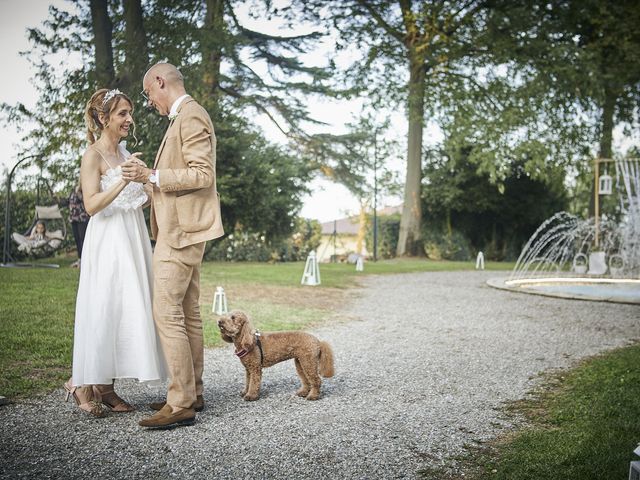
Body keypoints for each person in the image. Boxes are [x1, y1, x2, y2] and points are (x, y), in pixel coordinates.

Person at [122, 63, 224, 429]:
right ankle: (192, 392)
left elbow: (202, 174)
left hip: (180, 234)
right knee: (188, 313)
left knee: (167, 312)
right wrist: (149, 182)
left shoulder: (192, 115)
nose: (150, 102)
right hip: (182, 229)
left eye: (149, 94)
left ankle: (179, 402)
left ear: (160, 82)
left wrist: (151, 174)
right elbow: (177, 180)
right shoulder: (185, 117)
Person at [64, 88, 167, 417]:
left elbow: (145, 196)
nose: (129, 119)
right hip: (107, 239)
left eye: (129, 113)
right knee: (104, 305)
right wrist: (123, 181)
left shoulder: (126, 153)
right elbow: (92, 205)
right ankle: (83, 382)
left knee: (128, 306)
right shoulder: (92, 156)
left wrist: (148, 181)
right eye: (122, 114)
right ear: (103, 118)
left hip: (133, 237)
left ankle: (106, 388)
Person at [67, 184, 90, 268]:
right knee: (77, 240)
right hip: (73, 219)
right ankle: (80, 260)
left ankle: (86, 260)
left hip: (82, 218)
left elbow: (86, 201)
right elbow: (68, 201)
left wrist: (78, 193)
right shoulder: (72, 190)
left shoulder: (84, 189)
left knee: (83, 240)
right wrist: (57, 199)